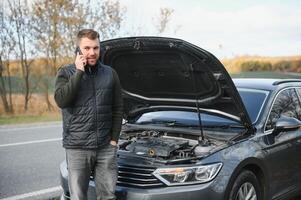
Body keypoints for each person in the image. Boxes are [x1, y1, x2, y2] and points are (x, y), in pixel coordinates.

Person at [54, 29, 123, 200]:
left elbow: (118, 108)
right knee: (78, 197)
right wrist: (78, 72)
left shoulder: (110, 74)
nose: (92, 52)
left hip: (106, 147)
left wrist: (114, 139)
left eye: (96, 48)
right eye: (86, 48)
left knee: (107, 196)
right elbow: (62, 101)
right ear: (78, 50)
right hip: (77, 147)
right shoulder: (65, 73)